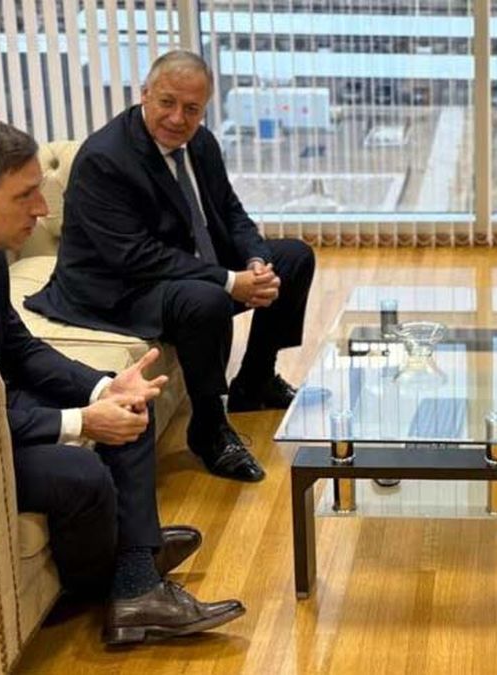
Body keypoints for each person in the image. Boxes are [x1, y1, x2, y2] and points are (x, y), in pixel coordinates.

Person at [0, 117, 247, 645]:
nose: (42, 208)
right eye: (26, 194)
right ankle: (124, 572)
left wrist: (104, 390)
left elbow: (20, 349)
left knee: (127, 411)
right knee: (79, 472)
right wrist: (79, 420)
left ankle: (134, 574)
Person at [25, 50, 316, 483]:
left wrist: (256, 261)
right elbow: (134, 255)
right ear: (144, 94)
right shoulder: (106, 158)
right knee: (206, 298)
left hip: (178, 264)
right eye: (167, 102)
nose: (178, 118)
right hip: (114, 286)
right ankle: (210, 427)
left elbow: (230, 212)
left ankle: (254, 382)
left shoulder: (200, 142)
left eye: (192, 108)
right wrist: (228, 280)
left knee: (291, 258)